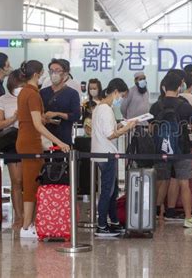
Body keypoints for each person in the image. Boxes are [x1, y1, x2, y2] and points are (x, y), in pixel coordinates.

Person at [16, 60, 70, 238]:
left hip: (25, 139)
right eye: (43, 72)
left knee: (31, 182)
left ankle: (29, 223)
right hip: (31, 141)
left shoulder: (25, 92)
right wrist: (59, 142)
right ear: (36, 74)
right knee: (31, 185)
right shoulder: (32, 94)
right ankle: (26, 227)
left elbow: (33, 120)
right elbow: (37, 125)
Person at [150, 72, 192, 228]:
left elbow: (151, 129)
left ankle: (156, 215)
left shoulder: (156, 105)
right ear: (180, 87)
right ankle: (188, 218)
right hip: (182, 149)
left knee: (161, 181)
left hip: (160, 150)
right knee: (184, 183)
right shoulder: (185, 106)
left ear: (164, 87)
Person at [90, 78, 137, 237]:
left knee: (112, 189)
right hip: (106, 153)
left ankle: (113, 221)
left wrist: (120, 125)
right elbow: (110, 134)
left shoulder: (100, 107)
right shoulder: (106, 109)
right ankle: (102, 225)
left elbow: (106, 130)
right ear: (115, 92)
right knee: (108, 191)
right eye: (121, 96)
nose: (120, 100)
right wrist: (127, 128)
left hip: (102, 152)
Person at [0, 69, 24, 229]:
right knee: (17, 181)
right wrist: (13, 118)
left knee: (30, 181)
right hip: (12, 142)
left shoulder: (31, 96)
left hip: (29, 142)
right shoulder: (3, 99)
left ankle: (30, 216)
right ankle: (19, 216)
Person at [40, 59, 81, 146]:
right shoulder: (42, 92)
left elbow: (76, 116)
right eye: (51, 71)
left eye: (57, 70)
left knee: (62, 159)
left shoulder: (72, 93)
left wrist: (57, 114)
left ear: (65, 73)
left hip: (64, 138)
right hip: (44, 139)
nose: (54, 74)